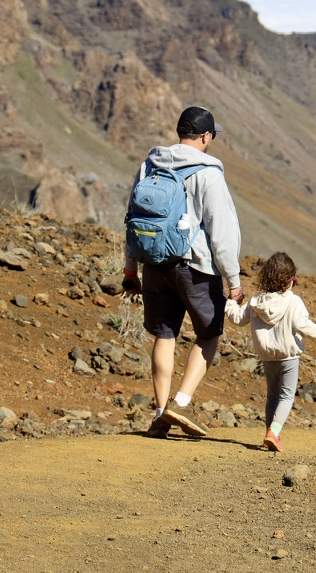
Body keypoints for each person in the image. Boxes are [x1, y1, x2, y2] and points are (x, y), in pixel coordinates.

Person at [122, 106, 244, 438]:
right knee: (208, 333)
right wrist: (233, 281)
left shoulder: (149, 164)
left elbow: (133, 218)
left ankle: (160, 411)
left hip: (154, 264)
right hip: (195, 268)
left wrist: (130, 269)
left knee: (164, 334)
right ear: (206, 136)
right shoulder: (207, 172)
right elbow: (222, 231)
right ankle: (181, 402)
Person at [225, 251, 316, 452]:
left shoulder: (257, 301)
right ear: (290, 281)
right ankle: (273, 432)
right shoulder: (293, 302)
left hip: (267, 357)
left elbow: (238, 319)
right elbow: (303, 325)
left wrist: (231, 302)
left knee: (272, 396)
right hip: (289, 357)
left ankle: (271, 432)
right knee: (286, 395)